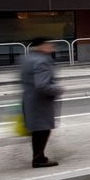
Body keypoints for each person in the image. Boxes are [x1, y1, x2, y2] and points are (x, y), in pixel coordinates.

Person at [20, 37, 62, 168]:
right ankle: (38, 159)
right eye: (49, 45)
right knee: (43, 130)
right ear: (42, 46)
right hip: (41, 102)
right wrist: (57, 90)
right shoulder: (41, 61)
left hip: (30, 99)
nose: (52, 48)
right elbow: (42, 85)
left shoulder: (26, 58)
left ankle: (39, 157)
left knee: (38, 130)